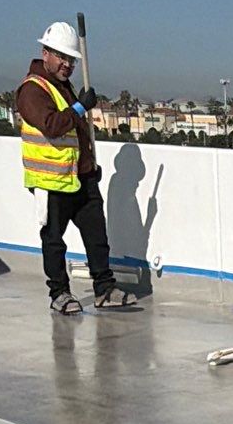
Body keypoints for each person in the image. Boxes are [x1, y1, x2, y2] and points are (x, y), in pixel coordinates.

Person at [15, 23, 140, 314]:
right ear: (45, 53)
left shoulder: (63, 86)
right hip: (52, 182)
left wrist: (89, 165)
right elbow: (53, 126)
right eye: (62, 57)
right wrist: (81, 107)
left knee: (97, 238)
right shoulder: (32, 90)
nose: (68, 64)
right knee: (54, 242)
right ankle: (59, 294)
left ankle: (104, 288)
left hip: (81, 178)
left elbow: (78, 134)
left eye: (71, 59)